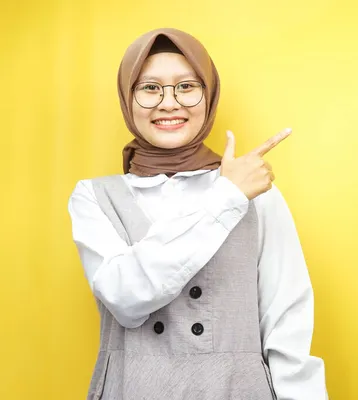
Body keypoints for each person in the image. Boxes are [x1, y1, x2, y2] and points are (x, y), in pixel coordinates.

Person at [67, 27, 328, 400]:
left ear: (209, 95)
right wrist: (225, 199)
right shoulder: (93, 196)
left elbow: (287, 319)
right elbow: (125, 297)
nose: (169, 103)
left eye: (187, 86)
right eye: (149, 87)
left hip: (236, 389)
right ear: (128, 98)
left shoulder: (256, 193)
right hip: (134, 387)